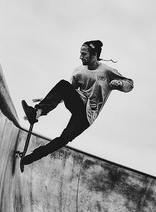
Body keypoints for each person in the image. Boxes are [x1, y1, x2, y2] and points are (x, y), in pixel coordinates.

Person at [20, 39, 133, 170]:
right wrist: (46, 100)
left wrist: (120, 84)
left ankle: (32, 158)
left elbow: (129, 84)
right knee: (63, 84)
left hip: (87, 117)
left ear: (94, 54)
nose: (80, 57)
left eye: (84, 54)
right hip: (78, 104)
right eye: (80, 53)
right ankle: (36, 113)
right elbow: (66, 91)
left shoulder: (107, 71)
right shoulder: (78, 71)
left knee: (64, 138)